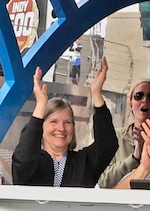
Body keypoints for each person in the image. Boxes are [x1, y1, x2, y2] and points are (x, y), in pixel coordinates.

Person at [12, 58, 119, 187]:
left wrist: (96, 94)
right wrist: (40, 105)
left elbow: (108, 144)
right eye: (53, 121)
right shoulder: (32, 162)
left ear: (73, 128)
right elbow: (23, 159)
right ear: (41, 126)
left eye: (67, 122)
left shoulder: (84, 163)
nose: (61, 128)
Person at [98, 81, 150, 188]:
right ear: (130, 104)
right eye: (138, 96)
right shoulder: (114, 137)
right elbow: (103, 181)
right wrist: (134, 158)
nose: (145, 100)